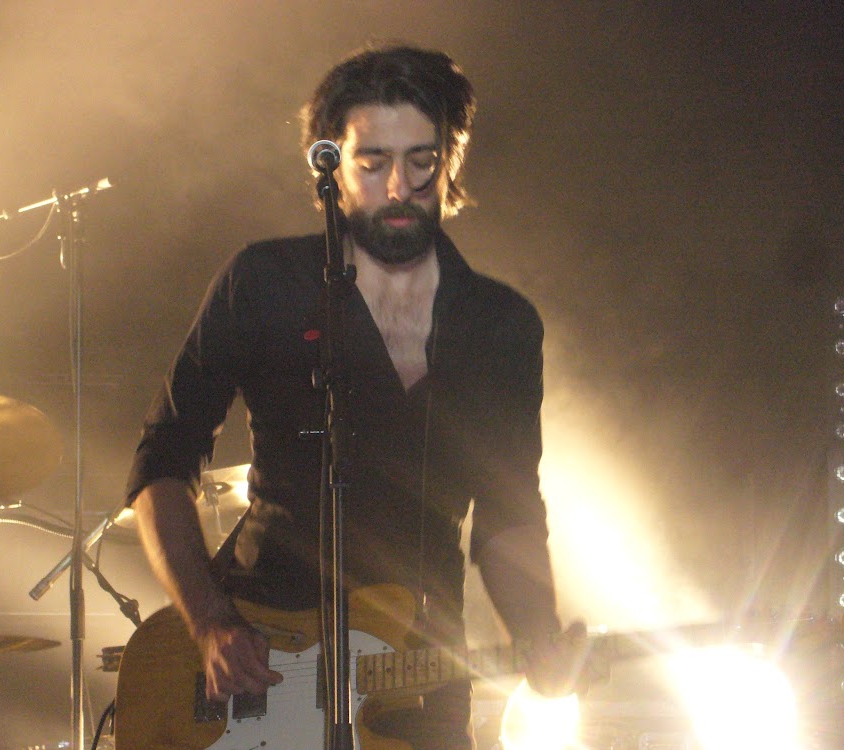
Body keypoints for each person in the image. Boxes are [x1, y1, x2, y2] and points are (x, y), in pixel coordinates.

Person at [126, 44, 585, 749]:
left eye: (421, 160)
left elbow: (509, 514)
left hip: (422, 665)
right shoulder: (265, 283)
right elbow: (163, 462)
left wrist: (539, 636)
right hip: (261, 649)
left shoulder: (500, 324)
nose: (398, 187)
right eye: (373, 162)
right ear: (330, 165)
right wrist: (211, 622)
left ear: (450, 161)